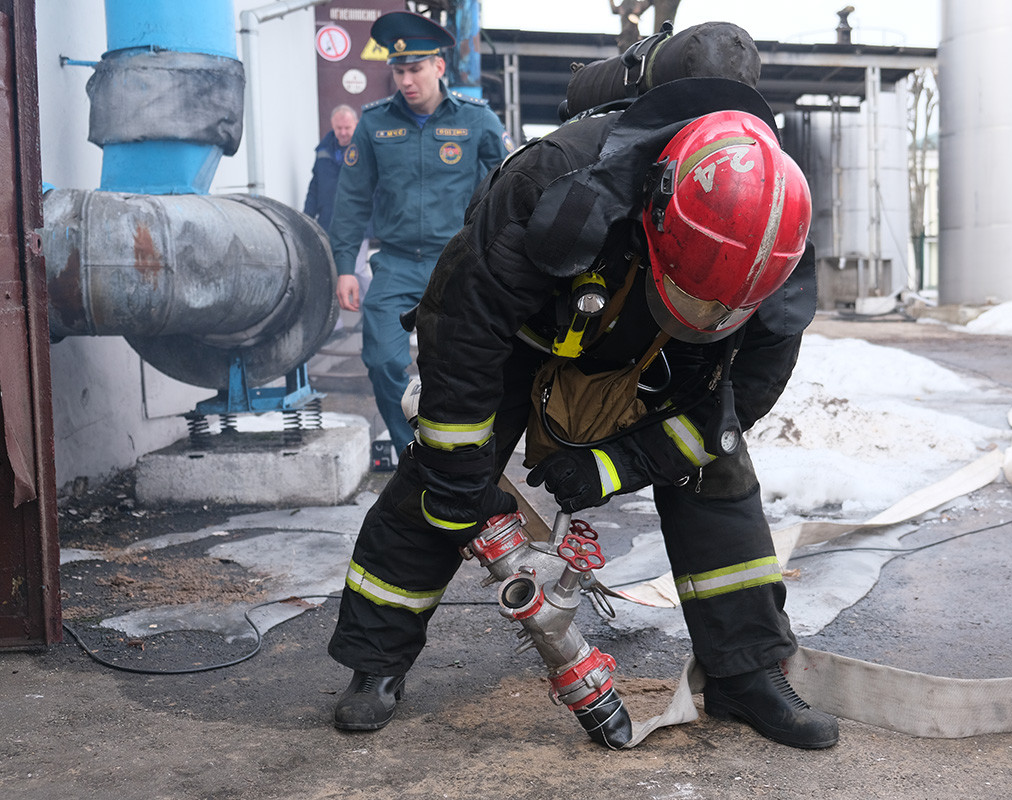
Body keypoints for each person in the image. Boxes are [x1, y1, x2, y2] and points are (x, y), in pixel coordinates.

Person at [327, 75, 839, 752]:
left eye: (726, 310)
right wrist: (460, 481)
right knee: (446, 473)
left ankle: (747, 672)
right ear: (658, 217)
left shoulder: (772, 253)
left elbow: (735, 404)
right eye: (700, 296)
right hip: (523, 338)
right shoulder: (554, 182)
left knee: (714, 470)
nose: (713, 316)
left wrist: (620, 462)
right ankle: (377, 660)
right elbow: (465, 327)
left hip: (658, 354)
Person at [329, 11, 514, 454]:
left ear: (438, 67)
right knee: (382, 359)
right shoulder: (374, 124)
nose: (407, 80)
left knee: (464, 365)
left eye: (415, 69)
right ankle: (411, 452)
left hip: (458, 261)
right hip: (394, 264)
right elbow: (351, 200)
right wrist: (343, 268)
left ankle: (466, 455)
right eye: (399, 71)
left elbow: (510, 192)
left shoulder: (477, 121)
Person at [303, 104, 358, 233]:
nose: (343, 133)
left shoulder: (366, 150)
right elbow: (315, 187)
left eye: (347, 128)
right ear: (332, 125)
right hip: (328, 223)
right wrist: (306, 218)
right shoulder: (323, 151)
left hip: (358, 226)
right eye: (339, 128)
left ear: (356, 124)